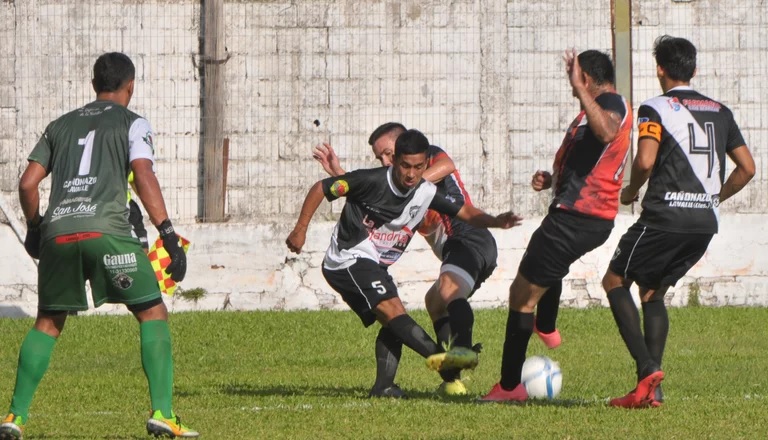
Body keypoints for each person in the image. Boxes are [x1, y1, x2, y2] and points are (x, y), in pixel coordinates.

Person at [0, 52, 198, 439]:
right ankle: (163, 412)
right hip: (108, 231)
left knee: (47, 323)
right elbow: (143, 174)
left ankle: (14, 416)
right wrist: (168, 234)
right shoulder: (133, 122)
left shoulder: (59, 126)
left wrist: (36, 227)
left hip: (58, 233)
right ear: (130, 87)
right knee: (153, 313)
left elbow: (27, 184)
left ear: (93, 85)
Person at [313, 123, 562, 397]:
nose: (385, 162)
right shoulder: (400, 182)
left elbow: (446, 166)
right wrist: (342, 175)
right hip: (461, 246)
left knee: (447, 291)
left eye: (388, 153)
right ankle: (450, 380)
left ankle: (461, 353)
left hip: (468, 238)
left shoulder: (427, 161)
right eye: (380, 157)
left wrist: (410, 183)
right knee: (433, 303)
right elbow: (372, 191)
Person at [602, 35, 755, 409]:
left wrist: (630, 191)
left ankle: (647, 369)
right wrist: (712, 199)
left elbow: (645, 161)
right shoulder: (720, 111)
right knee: (652, 292)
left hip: (664, 217)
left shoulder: (654, 109)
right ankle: (651, 392)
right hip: (703, 223)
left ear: (660, 69)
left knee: (614, 280)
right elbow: (748, 169)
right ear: (694, 69)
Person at [481, 48, 633, 402]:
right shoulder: (590, 113)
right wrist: (551, 180)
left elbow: (608, 132)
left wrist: (579, 89)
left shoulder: (611, 103)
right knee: (542, 269)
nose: (571, 85)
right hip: (576, 215)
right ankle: (546, 327)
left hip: (578, 218)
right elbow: (590, 161)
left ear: (587, 78)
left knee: (521, 296)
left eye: (575, 79)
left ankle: (510, 387)